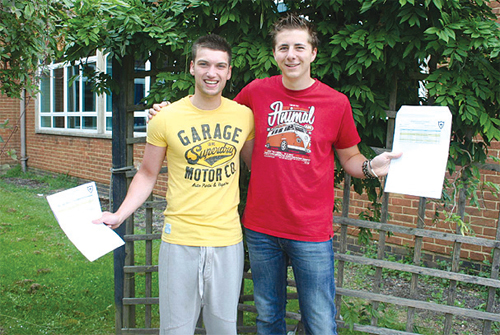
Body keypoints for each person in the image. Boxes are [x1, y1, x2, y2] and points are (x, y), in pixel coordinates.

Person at [150, 14, 401, 335]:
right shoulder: (257, 92)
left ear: (313, 52)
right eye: (284, 47)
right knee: (268, 318)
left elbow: (350, 157)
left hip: (311, 230)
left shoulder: (336, 103)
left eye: (299, 46)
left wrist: (370, 167)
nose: (291, 54)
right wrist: (167, 112)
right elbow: (213, 110)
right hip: (261, 228)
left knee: (321, 322)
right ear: (274, 54)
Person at [94, 34, 254, 335]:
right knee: (176, 329)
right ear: (192, 67)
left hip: (227, 240)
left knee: (224, 328)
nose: (212, 73)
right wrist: (118, 215)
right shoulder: (165, 118)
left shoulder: (244, 116)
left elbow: (258, 166)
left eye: (220, 66)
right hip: (179, 238)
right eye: (204, 64)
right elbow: (146, 173)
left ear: (229, 72)